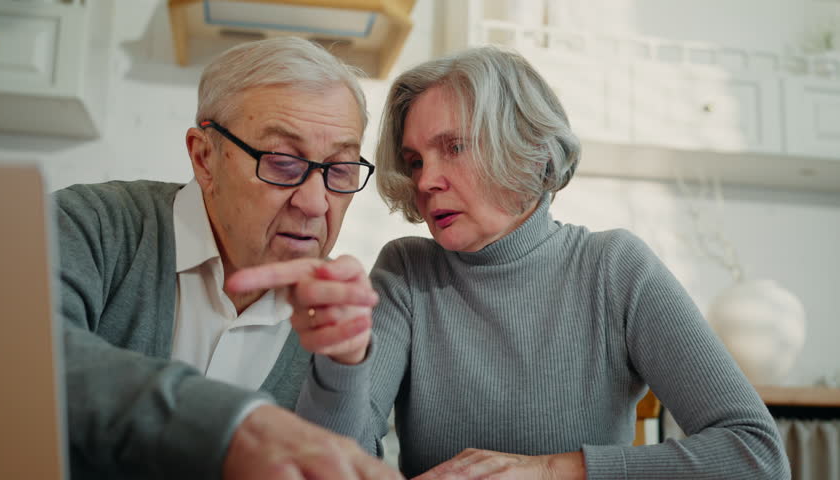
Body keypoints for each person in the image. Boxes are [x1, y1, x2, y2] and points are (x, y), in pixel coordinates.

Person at [254, 45, 790, 478]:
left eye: (454, 148)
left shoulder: (614, 267)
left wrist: (555, 471)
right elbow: (330, 462)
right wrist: (344, 361)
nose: (425, 180)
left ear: (530, 149)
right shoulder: (406, 270)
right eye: (415, 160)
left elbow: (756, 455)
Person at [57, 37, 402, 480]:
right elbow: (22, 354)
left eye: (339, 170)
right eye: (281, 161)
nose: (316, 203)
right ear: (204, 157)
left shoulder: (341, 310)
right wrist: (237, 427)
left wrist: (342, 366)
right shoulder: (91, 226)